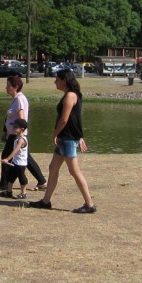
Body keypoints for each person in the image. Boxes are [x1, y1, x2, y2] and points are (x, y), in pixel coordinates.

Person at [29, 67, 97, 214]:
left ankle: (89, 204)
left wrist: (55, 134)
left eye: (57, 79)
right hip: (65, 139)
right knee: (53, 168)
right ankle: (45, 201)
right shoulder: (70, 94)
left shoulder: (71, 96)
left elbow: (65, 120)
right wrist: (80, 136)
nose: (55, 82)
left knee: (75, 172)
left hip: (67, 139)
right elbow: (75, 119)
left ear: (64, 80)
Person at [0, 74, 46, 191]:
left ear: (16, 87)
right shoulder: (15, 99)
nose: (6, 88)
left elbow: (21, 118)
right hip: (12, 134)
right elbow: (9, 118)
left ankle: (4, 184)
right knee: (26, 158)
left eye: (8, 86)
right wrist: (5, 132)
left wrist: (20, 136)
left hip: (17, 136)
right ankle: (42, 181)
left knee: (6, 157)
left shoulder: (20, 99)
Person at [0, 117, 29, 199]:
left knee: (22, 178)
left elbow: (16, 150)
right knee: (10, 176)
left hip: (21, 164)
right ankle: (9, 191)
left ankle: (24, 193)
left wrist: (7, 159)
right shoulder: (17, 138)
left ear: (22, 129)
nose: (13, 128)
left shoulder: (21, 140)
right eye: (13, 126)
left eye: (16, 127)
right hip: (15, 162)